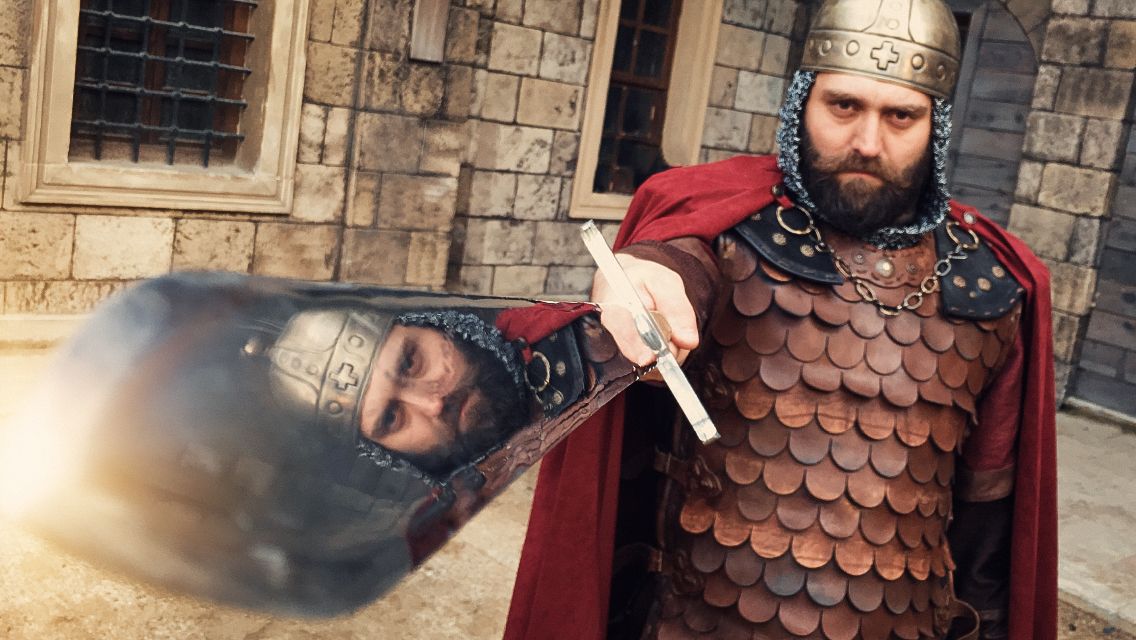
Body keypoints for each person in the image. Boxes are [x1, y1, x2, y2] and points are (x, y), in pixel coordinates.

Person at [505, 1, 1057, 639]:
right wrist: (643, 282)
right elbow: (676, 263)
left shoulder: (992, 285)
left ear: (936, 124)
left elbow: (992, 535)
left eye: (900, 116)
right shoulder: (726, 229)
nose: (868, 142)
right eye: (843, 106)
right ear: (802, 102)